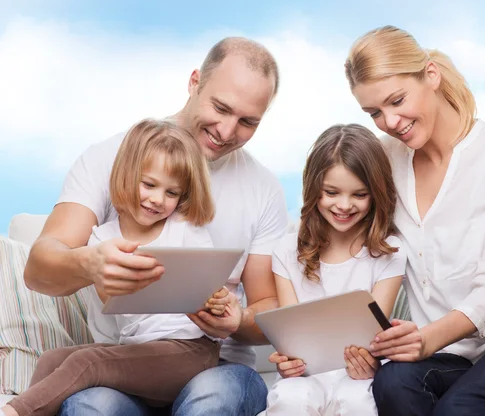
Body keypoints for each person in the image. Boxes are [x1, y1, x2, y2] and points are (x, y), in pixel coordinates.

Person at [24, 38, 289, 416]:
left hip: (215, 365)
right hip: (125, 366)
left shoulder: (263, 188)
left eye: (247, 122)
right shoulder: (111, 158)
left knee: (214, 398)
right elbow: (38, 270)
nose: (228, 131)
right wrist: (90, 265)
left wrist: (236, 320)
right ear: (195, 81)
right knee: (90, 405)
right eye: (221, 107)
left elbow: (267, 310)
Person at [344, 25, 485, 416]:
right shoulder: (386, 161)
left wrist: (426, 340)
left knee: (462, 406)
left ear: (431, 75)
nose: (391, 121)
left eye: (397, 100)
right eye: (374, 112)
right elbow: (355, 247)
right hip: (452, 350)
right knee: (392, 382)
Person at [3, 118, 238, 416]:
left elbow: (208, 289)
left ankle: (14, 412)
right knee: (51, 359)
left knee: (86, 363)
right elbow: (114, 308)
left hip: (190, 351)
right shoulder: (102, 238)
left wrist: (217, 302)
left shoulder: (185, 229)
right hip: (137, 353)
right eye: (149, 184)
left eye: (171, 193)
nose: (157, 200)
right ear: (127, 175)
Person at [266, 124, 407, 416]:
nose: (344, 205)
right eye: (331, 192)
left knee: (358, 403)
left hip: (358, 375)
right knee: (291, 399)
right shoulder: (286, 249)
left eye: (359, 194)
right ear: (313, 189)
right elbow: (290, 336)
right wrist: (288, 361)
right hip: (305, 376)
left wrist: (368, 361)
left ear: (376, 193)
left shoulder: (389, 251)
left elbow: (373, 337)